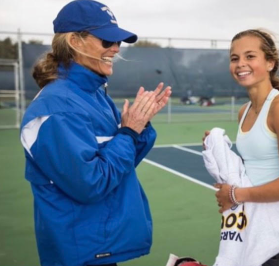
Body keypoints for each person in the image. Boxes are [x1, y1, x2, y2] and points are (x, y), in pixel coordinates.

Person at [19, 1, 171, 266]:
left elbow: (119, 166)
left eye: (118, 42)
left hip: (98, 248)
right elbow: (90, 183)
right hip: (79, 254)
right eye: (106, 40)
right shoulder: (57, 108)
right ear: (75, 42)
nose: (115, 48)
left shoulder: (94, 96)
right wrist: (128, 132)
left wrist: (138, 128)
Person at [203, 29, 279, 265]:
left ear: (270, 62)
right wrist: (218, 151)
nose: (240, 64)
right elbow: (253, 170)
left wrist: (235, 195)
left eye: (250, 56)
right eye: (234, 58)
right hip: (251, 226)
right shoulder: (244, 111)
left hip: (274, 232)